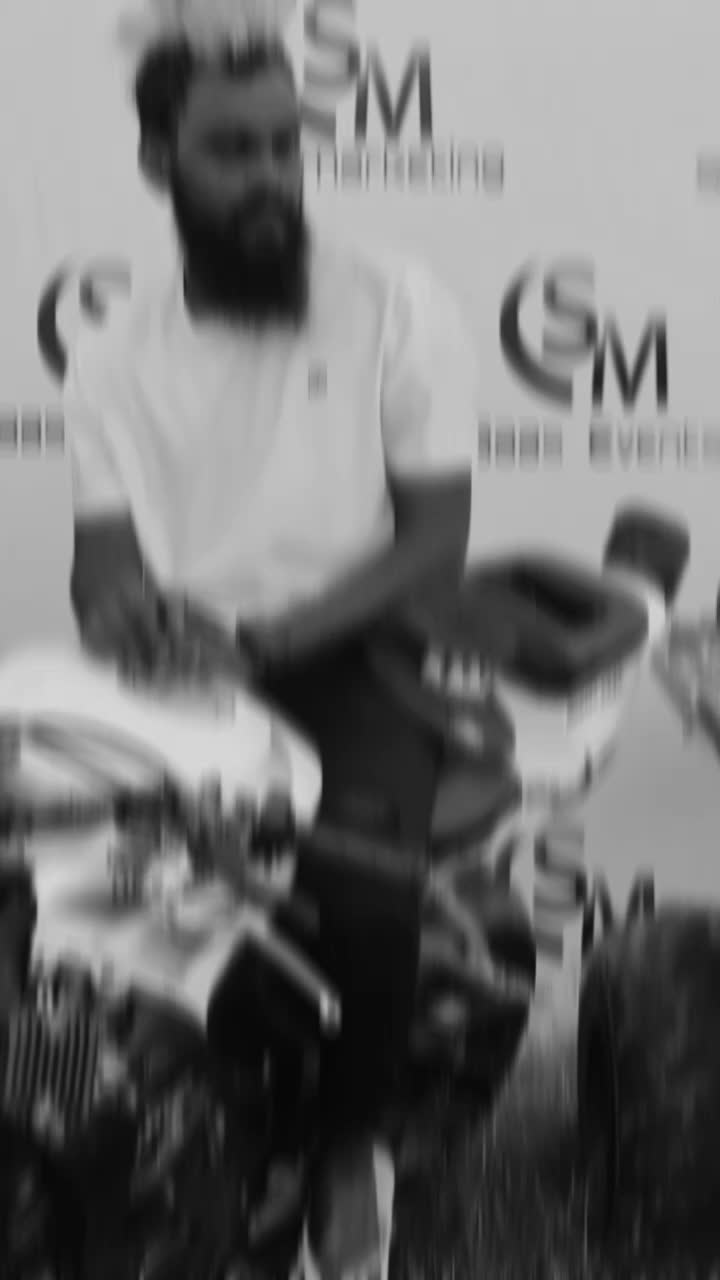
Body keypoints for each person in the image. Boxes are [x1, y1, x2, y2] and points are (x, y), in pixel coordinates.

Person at [63, 9, 486, 1276]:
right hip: (194, 676)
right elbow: (99, 562)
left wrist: (273, 636)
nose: (268, 177)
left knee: (359, 890)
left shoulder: (392, 303)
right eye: (231, 149)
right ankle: (109, 1150)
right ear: (161, 164)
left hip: (360, 652)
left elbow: (436, 537)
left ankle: (350, 1148)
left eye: (282, 147)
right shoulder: (112, 356)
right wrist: (123, 613)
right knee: (65, 881)